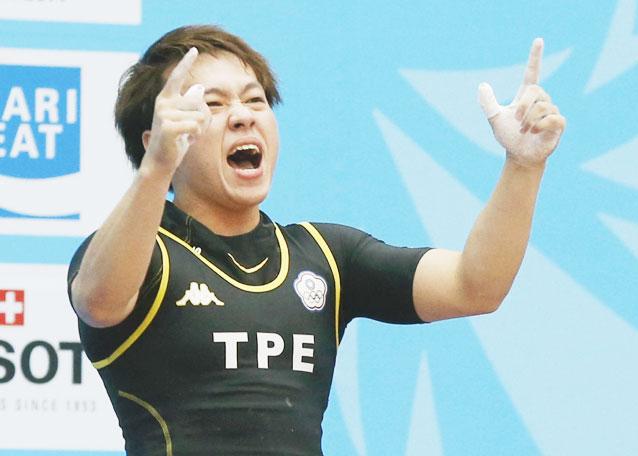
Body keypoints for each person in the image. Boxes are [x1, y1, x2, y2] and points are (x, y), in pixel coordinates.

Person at [67, 25, 565, 455]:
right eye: (212, 106)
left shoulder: (325, 256)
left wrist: (524, 165)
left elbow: (475, 286)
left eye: (255, 100)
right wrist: (157, 171)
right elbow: (99, 299)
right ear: (154, 137)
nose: (243, 116)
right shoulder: (136, 253)